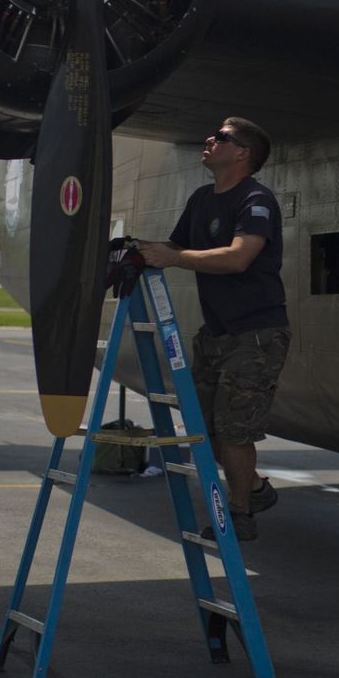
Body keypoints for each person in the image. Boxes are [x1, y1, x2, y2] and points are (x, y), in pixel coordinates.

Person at [135, 118, 288, 541]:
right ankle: (255, 489)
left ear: (242, 154)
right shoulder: (203, 199)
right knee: (208, 428)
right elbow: (174, 248)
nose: (209, 140)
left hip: (255, 333)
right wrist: (134, 250)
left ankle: (240, 516)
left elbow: (239, 257)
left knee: (236, 432)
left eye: (220, 138)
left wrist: (174, 258)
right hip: (217, 333)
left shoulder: (256, 200)